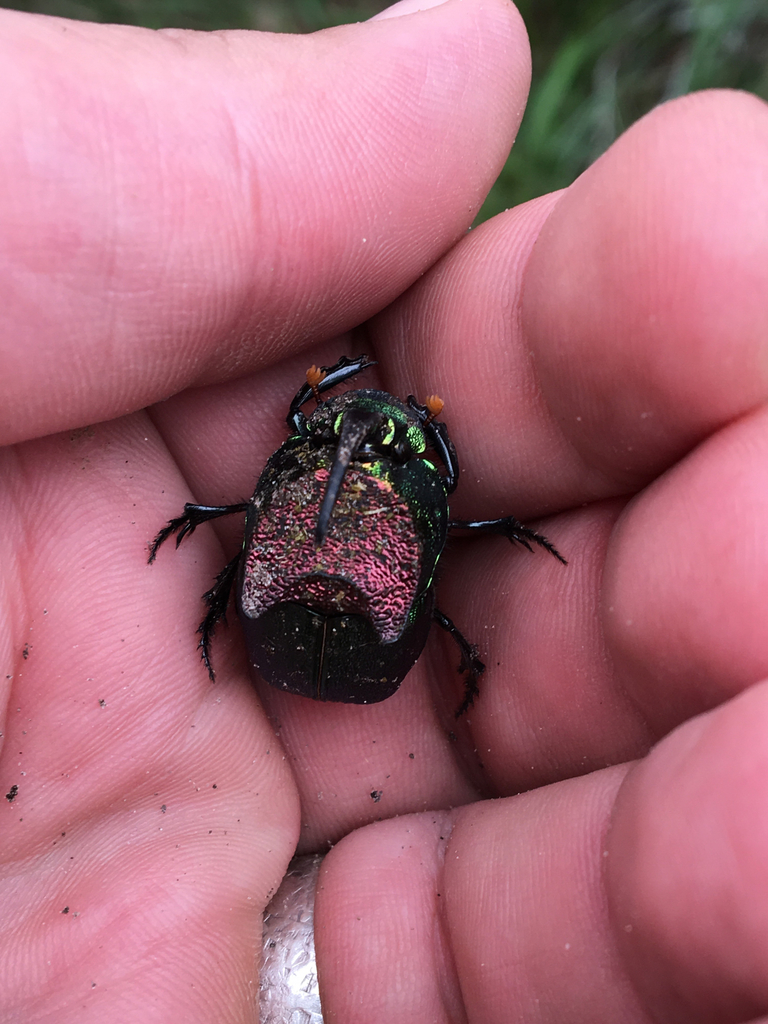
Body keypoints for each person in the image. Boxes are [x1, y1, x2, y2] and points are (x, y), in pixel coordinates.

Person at [1, 0, 767, 1020]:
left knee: (263, 523)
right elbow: (430, 520)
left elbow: (284, 472)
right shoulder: (416, 495)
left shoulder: (303, 454)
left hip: (290, 626)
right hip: (353, 641)